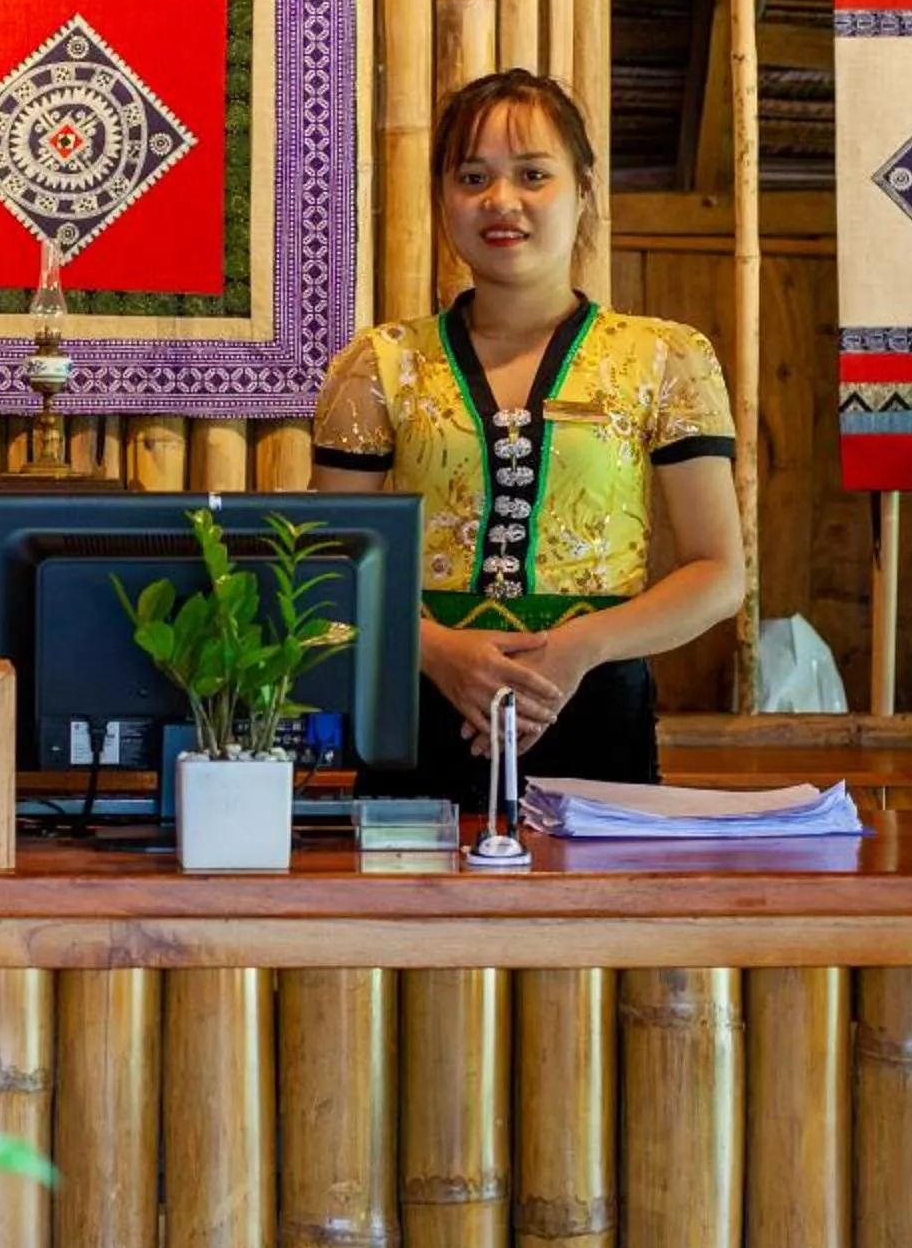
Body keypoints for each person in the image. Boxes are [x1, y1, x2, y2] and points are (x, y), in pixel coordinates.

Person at [312, 69, 747, 801]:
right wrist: (440, 653)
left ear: (582, 192)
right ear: (443, 200)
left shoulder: (668, 357)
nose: (501, 201)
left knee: (590, 910)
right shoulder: (379, 363)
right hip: (422, 702)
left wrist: (579, 648)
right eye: (473, 177)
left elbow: (718, 573)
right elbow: (328, 563)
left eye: (533, 174)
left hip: (597, 702)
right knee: (407, 911)